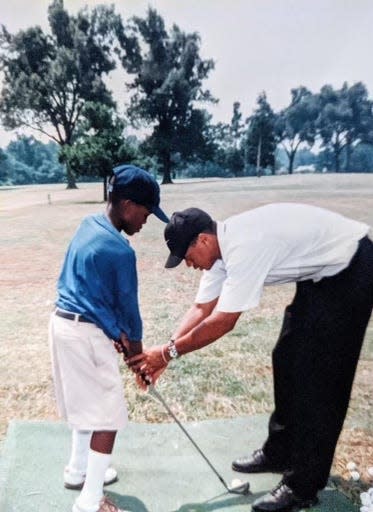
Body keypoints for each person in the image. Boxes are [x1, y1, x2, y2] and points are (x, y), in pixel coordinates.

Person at [127, 203, 373, 512]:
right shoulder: (218, 252)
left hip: (351, 268)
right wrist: (164, 354)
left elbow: (223, 322)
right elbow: (202, 309)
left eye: (187, 258)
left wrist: (166, 353)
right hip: (320, 274)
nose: (189, 265)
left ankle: (303, 487)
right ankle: (280, 452)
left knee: (321, 380)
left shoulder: (244, 247)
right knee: (286, 357)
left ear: (202, 240)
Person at [49, 164, 168, 512]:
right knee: (108, 416)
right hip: (83, 333)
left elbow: (94, 292)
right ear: (128, 205)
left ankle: (78, 469)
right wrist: (139, 359)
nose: (146, 222)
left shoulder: (89, 224)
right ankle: (90, 500)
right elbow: (130, 314)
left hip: (63, 323)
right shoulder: (121, 251)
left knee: (89, 404)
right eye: (146, 213)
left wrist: (115, 333)